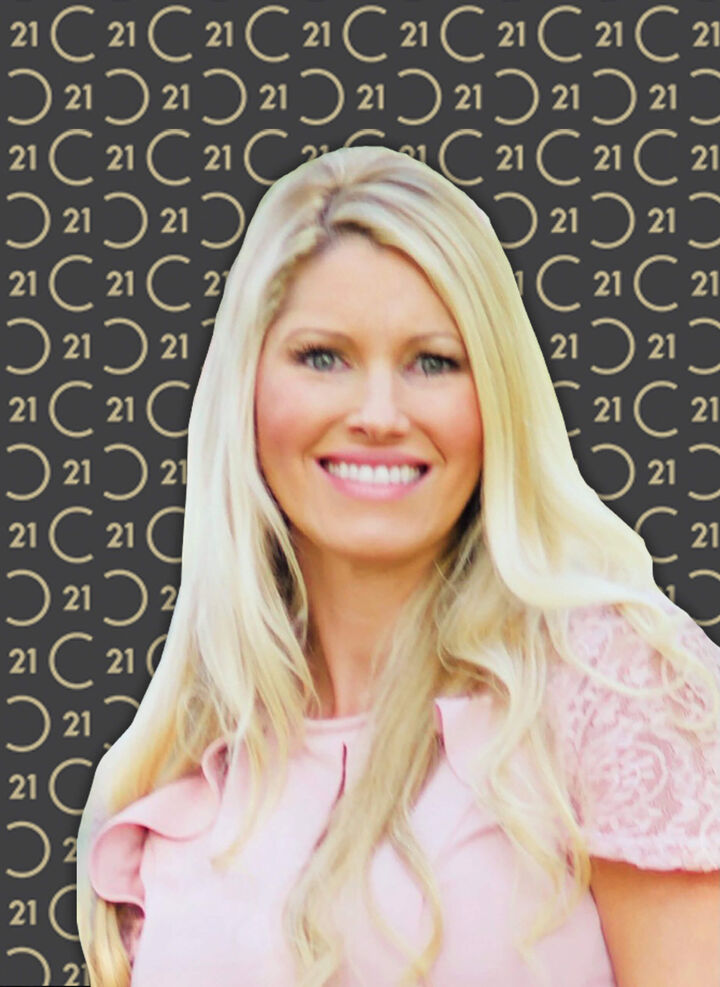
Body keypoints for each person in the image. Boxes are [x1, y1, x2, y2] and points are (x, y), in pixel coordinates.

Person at [76, 145, 720, 987]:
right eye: (323, 356)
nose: (378, 414)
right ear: (247, 389)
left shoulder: (614, 679)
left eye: (433, 361)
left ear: (495, 398)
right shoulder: (188, 753)